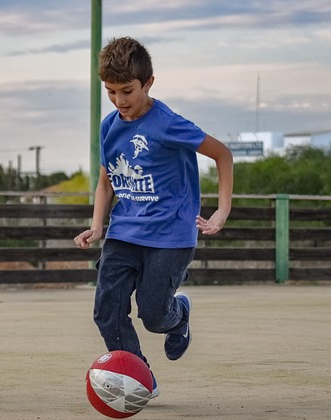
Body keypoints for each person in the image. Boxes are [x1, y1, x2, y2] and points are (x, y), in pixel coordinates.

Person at [74, 37, 233, 397]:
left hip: (171, 236)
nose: (120, 101)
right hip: (124, 231)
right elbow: (106, 181)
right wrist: (98, 224)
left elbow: (222, 154)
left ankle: (180, 316)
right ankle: (138, 375)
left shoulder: (168, 124)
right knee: (106, 309)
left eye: (127, 91)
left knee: (154, 315)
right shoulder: (109, 126)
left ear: (148, 83)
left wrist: (222, 210)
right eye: (111, 92)